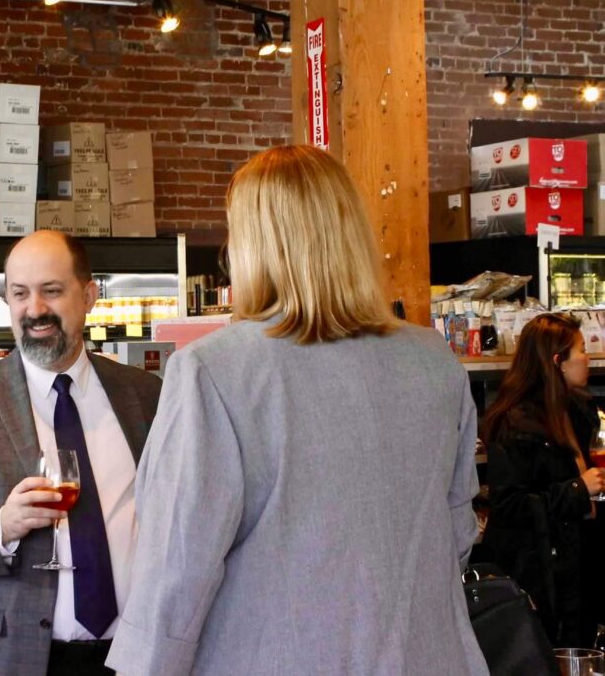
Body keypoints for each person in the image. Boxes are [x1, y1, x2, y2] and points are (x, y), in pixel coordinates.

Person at [106, 145, 489, 676]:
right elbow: (457, 532)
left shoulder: (212, 371)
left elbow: (175, 572)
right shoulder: (433, 361)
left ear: (254, 245)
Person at [0, 230, 162, 676]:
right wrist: (2, 525)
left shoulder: (145, 395)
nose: (34, 309)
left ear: (90, 295)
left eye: (52, 291)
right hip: (13, 658)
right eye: (19, 294)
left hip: (134, 656)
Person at [482, 312, 605, 648]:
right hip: (542, 582)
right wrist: (578, 490)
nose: (588, 357)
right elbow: (509, 507)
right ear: (558, 361)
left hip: (576, 572)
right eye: (580, 350)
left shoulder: (577, 412)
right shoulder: (515, 425)